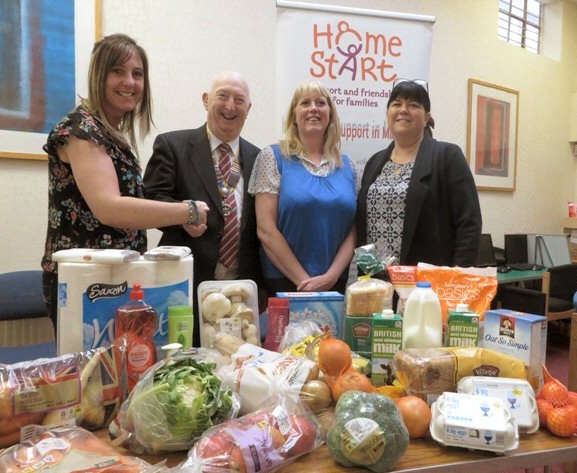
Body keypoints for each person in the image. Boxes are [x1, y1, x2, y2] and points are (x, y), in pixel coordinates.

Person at [41, 34, 209, 334]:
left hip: (115, 278)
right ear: (98, 76)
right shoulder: (82, 130)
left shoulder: (112, 136)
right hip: (86, 283)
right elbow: (110, 208)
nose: (130, 82)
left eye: (138, 74)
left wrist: (181, 219)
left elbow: (132, 207)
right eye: (117, 71)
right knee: (95, 377)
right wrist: (187, 211)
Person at [143, 71, 262, 345]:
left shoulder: (259, 158)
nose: (230, 106)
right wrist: (182, 215)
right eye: (222, 96)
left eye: (239, 100)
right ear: (206, 100)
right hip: (185, 289)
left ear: (248, 109)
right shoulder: (173, 145)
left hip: (239, 295)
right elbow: (150, 200)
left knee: (235, 366)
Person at [356, 79, 481, 268]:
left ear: (426, 118)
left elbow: (469, 224)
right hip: (377, 282)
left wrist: (455, 278)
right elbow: (364, 228)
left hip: (425, 286)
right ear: (388, 113)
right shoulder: (374, 162)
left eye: (413, 105)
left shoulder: (447, 156)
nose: (403, 110)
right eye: (396, 104)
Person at [248, 80, 356, 297]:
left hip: (336, 284)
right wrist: (306, 283)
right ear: (294, 116)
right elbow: (266, 230)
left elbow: (353, 229)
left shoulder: (347, 165)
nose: (313, 108)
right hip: (286, 283)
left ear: (331, 115)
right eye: (305, 103)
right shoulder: (273, 157)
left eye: (321, 103)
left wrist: (331, 276)